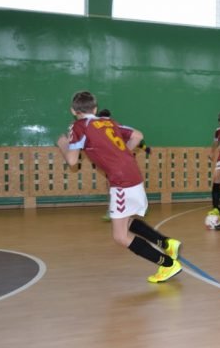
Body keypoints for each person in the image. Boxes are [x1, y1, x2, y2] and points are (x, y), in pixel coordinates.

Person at [56, 91, 182, 283]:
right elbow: (138, 136)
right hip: (132, 174)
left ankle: (167, 264)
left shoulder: (79, 126)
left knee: (120, 236)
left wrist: (63, 145)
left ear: (73, 110)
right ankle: (166, 243)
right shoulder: (108, 122)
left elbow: (73, 161)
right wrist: (122, 155)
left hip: (122, 181)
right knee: (126, 220)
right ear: (95, 108)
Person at [96, 108, 151, 222]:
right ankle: (141, 207)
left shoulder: (98, 126)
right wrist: (145, 148)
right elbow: (137, 137)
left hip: (113, 161)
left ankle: (112, 210)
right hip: (126, 161)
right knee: (134, 183)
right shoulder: (117, 124)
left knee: (114, 185)